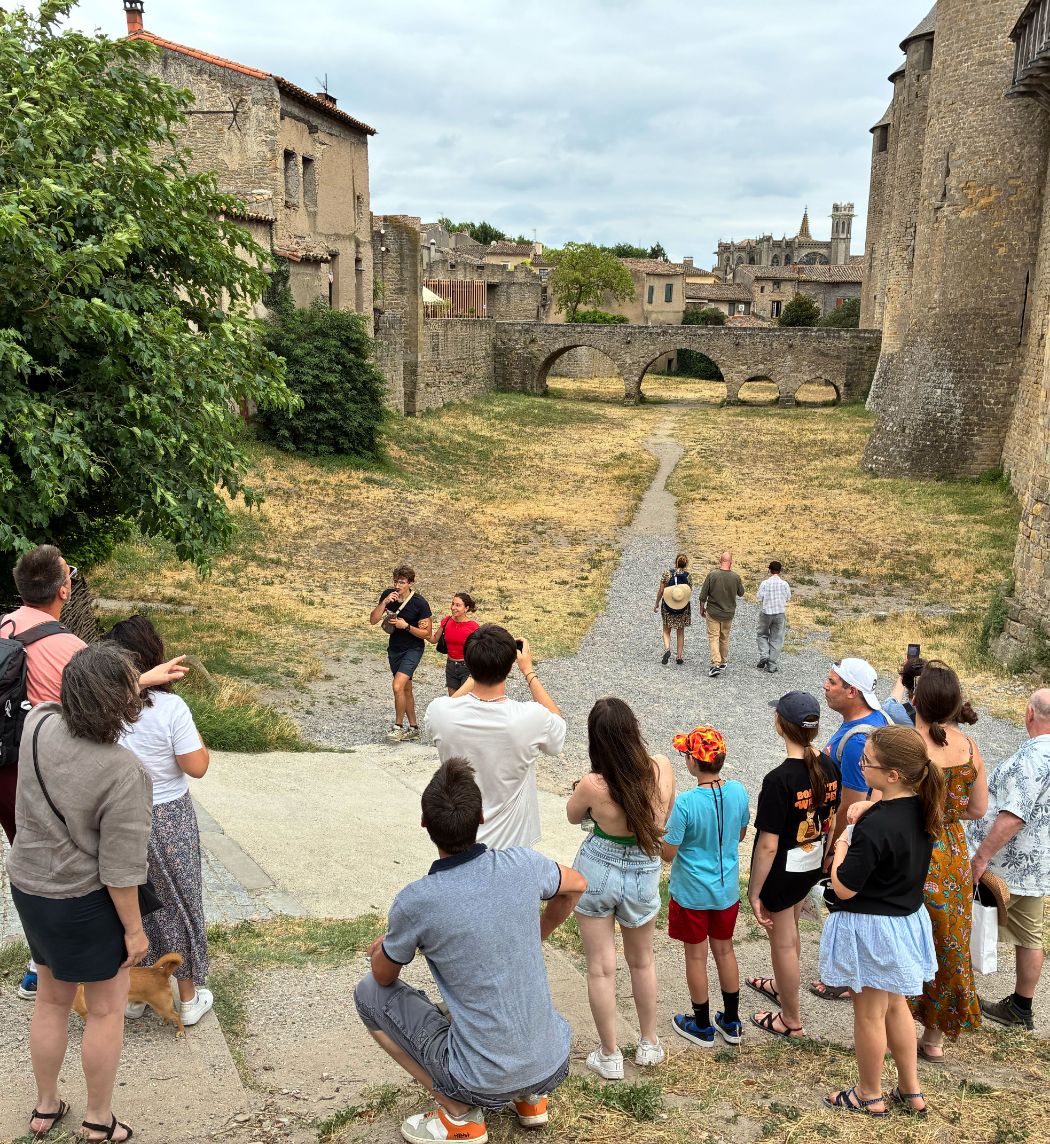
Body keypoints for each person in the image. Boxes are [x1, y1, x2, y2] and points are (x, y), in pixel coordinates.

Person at [354, 757, 587, 1143]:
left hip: (482, 1081)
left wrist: (383, 948)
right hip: (553, 1063)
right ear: (481, 816)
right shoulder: (522, 862)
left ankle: (459, 1115)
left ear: (425, 823)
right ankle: (531, 1100)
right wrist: (538, 931)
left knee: (367, 994)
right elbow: (576, 883)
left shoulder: (417, 901)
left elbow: (383, 978)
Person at [1, 543, 186, 1002]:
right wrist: (146, 678)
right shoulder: (68, 646)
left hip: (11, 769)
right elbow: (96, 696)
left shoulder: (4, 625)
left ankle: (40, 965)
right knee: (76, 868)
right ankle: (69, 968)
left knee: (31, 860)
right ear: (64, 588)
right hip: (49, 771)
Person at [6, 644, 153, 1142]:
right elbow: (122, 870)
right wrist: (135, 931)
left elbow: (55, 702)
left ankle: (46, 1107)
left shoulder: (39, 724)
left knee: (50, 1000)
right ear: (123, 706)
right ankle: (98, 1119)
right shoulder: (123, 770)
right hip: (84, 901)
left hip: (29, 885)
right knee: (106, 1009)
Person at [820, 725, 942, 1118]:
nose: (861, 765)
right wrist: (868, 809)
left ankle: (869, 1093)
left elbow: (844, 888)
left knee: (869, 1014)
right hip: (905, 921)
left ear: (891, 775)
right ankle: (912, 1090)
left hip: (873, 928)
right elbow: (892, 820)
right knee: (896, 1008)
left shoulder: (872, 827)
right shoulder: (923, 807)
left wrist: (843, 843)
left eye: (866, 762)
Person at [105, 615, 214, 1028]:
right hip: (168, 815)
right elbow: (196, 766)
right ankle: (186, 996)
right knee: (180, 902)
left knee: (128, 903)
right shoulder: (171, 708)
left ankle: (132, 994)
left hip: (117, 815)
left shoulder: (106, 708)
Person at [566, 698, 675, 1077]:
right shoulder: (660, 768)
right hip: (644, 867)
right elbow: (662, 817)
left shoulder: (593, 784)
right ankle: (648, 1042)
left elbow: (572, 815)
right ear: (635, 729)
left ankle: (609, 1054)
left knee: (600, 968)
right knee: (642, 960)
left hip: (598, 868)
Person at [904, 661, 987, 1060]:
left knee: (904, 934)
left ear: (915, 700)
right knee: (947, 939)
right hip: (952, 850)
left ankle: (895, 1024)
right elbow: (979, 807)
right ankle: (933, 1038)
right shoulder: (970, 747)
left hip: (913, 847)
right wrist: (947, 813)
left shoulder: (909, 745)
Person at [746, 692, 840, 1039]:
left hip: (783, 872)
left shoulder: (779, 780)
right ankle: (783, 986)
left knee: (783, 942)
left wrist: (755, 890)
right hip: (811, 862)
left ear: (779, 725)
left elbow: (768, 844)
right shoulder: (829, 766)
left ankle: (791, 1018)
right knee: (791, 931)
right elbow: (830, 818)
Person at [424, 625, 565, 849]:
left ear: (468, 664)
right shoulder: (531, 717)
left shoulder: (440, 712)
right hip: (512, 847)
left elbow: (445, 708)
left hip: (458, 841)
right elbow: (558, 723)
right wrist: (528, 671)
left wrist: (475, 673)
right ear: (510, 667)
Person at [662, 725, 750, 1049]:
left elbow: (669, 854)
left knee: (696, 957)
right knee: (724, 949)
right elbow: (740, 835)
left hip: (692, 894)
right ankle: (731, 1020)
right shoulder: (739, 791)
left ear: (692, 762)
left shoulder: (685, 803)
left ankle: (700, 1025)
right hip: (726, 893)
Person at [968, 688, 1050, 1032]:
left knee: (965, 923)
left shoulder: (1033, 757)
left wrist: (980, 857)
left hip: (1005, 865)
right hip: (1038, 865)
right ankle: (1021, 1007)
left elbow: (1014, 815)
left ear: (1030, 713)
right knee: (1030, 936)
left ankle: (956, 1000)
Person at [809, 657, 889, 1002]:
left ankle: (844, 977)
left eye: (832, 682)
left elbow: (852, 803)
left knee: (846, 902)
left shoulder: (859, 740)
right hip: (873, 833)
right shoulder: (877, 719)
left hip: (854, 836)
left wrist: (831, 850)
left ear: (852, 691)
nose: (825, 687)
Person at [369, 564, 432, 743]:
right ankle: (413, 728)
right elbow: (373, 620)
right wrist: (384, 602)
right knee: (406, 689)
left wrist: (407, 626)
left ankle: (398, 726)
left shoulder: (419, 603)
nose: (398, 585)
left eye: (402, 582)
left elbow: (426, 634)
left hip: (413, 649)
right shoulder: (388, 595)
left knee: (397, 686)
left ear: (410, 583)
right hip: (394, 649)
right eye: (396, 581)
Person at [697, 551, 744, 678]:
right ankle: (723, 660)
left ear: (720, 560)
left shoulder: (712, 575)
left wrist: (702, 608)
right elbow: (741, 593)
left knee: (713, 637)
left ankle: (715, 664)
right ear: (731, 562)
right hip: (728, 613)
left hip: (713, 611)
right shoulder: (735, 577)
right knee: (724, 637)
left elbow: (703, 595)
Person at [427, 591, 480, 696]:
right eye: (452, 604)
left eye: (458, 605)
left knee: (464, 701)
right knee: (453, 701)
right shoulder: (446, 621)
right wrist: (423, 629)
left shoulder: (473, 627)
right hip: (450, 666)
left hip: (467, 667)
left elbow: (479, 650)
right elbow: (433, 639)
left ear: (466, 608)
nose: (453, 607)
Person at [654, 553, 691, 665]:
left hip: (668, 606)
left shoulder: (667, 574)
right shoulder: (688, 576)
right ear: (686, 564)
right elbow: (689, 592)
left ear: (675, 562)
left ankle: (667, 649)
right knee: (680, 631)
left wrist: (656, 603)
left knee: (666, 629)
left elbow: (661, 591)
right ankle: (679, 656)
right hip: (682, 606)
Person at [755, 560, 791, 674]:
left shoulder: (765, 583)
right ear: (780, 571)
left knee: (762, 634)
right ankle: (772, 664)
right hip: (779, 613)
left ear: (769, 570)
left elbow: (759, 597)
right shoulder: (784, 584)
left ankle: (764, 654)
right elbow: (788, 597)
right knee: (776, 639)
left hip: (766, 613)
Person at [883, 655, 927, 726]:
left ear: (905, 682)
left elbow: (890, 702)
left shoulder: (893, 711)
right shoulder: (944, 709)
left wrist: (903, 674)